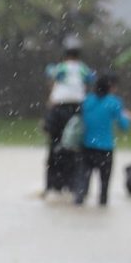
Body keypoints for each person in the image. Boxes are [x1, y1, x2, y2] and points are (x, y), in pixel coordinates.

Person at [43, 40, 94, 197]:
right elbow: (91, 78)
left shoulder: (61, 67)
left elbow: (51, 73)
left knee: (55, 147)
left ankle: (53, 185)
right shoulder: (84, 68)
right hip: (76, 109)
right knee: (73, 148)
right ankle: (72, 184)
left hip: (58, 109)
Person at [73, 73, 131, 207]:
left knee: (82, 187)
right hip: (105, 150)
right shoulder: (115, 102)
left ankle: (78, 211)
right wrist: (126, 116)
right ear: (110, 87)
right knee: (104, 188)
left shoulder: (86, 101)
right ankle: (102, 208)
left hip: (86, 148)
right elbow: (124, 126)